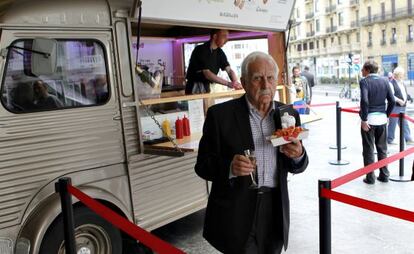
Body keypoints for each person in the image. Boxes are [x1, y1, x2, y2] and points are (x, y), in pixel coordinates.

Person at [195, 51, 309, 253]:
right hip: (236, 211)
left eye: (270, 78)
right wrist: (229, 167)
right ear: (245, 82)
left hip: (274, 207)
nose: (265, 85)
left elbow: (298, 165)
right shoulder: (220, 116)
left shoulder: (288, 114)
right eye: (257, 78)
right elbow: (203, 165)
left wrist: (298, 154)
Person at [359, 60, 395, 184]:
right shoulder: (385, 80)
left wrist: (364, 119)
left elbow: (364, 100)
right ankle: (384, 175)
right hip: (382, 119)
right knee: (382, 148)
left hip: (369, 120)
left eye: (363, 69)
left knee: (368, 149)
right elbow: (392, 101)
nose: (361, 71)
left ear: (368, 70)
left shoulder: (364, 81)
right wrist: (387, 114)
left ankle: (370, 178)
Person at [185, 29, 242, 94]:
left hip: (206, 86)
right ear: (215, 36)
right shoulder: (200, 49)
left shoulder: (220, 52)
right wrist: (228, 84)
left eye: (227, 37)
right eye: (224, 36)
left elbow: (229, 70)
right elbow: (207, 74)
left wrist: (235, 82)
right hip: (195, 86)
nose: (226, 40)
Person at [387, 67, 414, 145]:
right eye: (401, 75)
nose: (403, 76)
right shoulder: (391, 83)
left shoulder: (402, 83)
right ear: (397, 75)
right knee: (393, 123)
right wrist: (399, 100)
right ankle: (390, 139)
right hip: (395, 106)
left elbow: (404, 93)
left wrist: (407, 98)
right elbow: (391, 95)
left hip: (403, 106)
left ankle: (408, 139)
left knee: (404, 123)